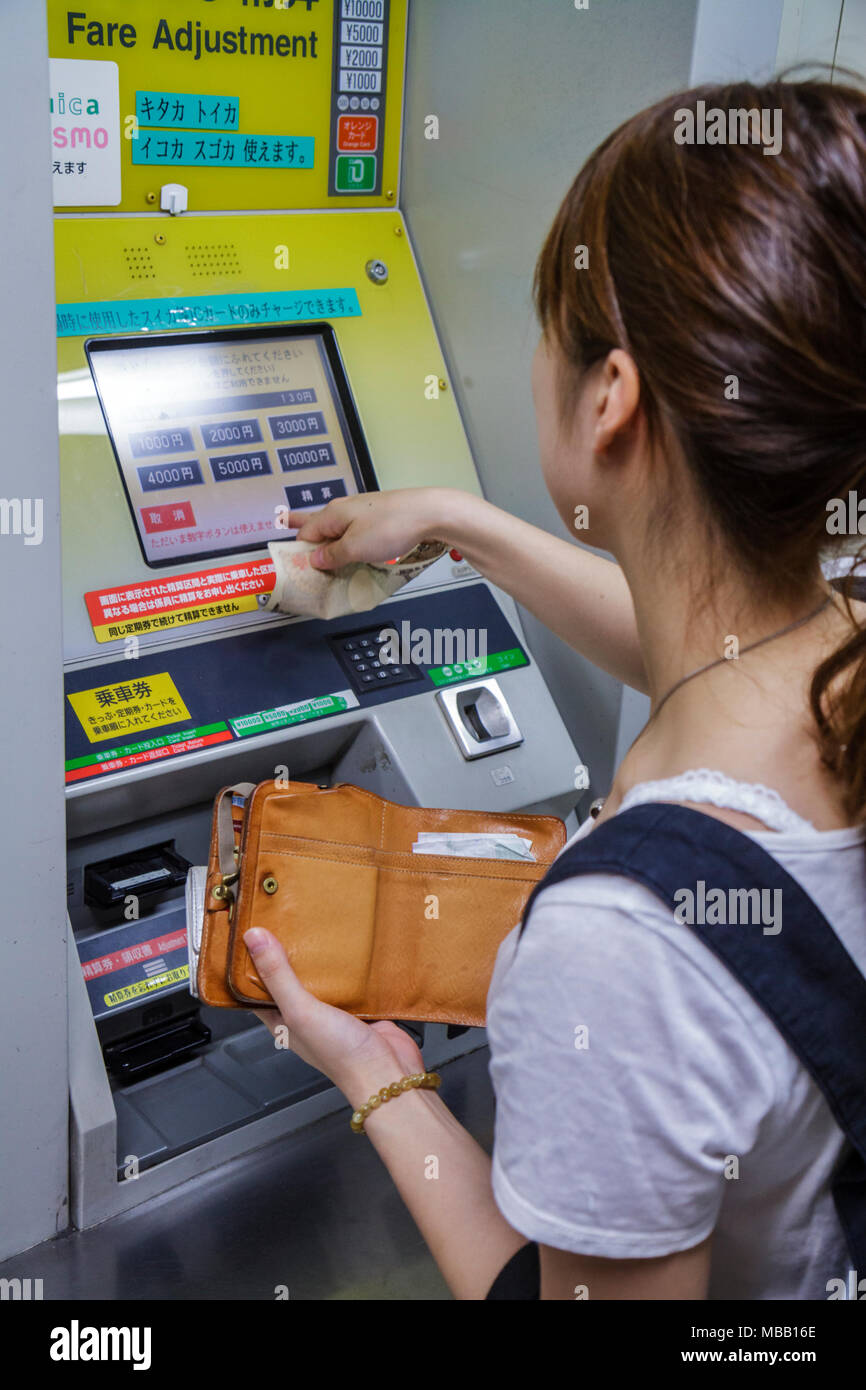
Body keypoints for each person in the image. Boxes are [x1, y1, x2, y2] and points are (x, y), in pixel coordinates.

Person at [242, 79, 866, 1299]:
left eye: (548, 329)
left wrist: (379, 1078)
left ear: (609, 397)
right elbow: (698, 651)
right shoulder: (838, 657)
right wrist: (461, 526)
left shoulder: (620, 943)